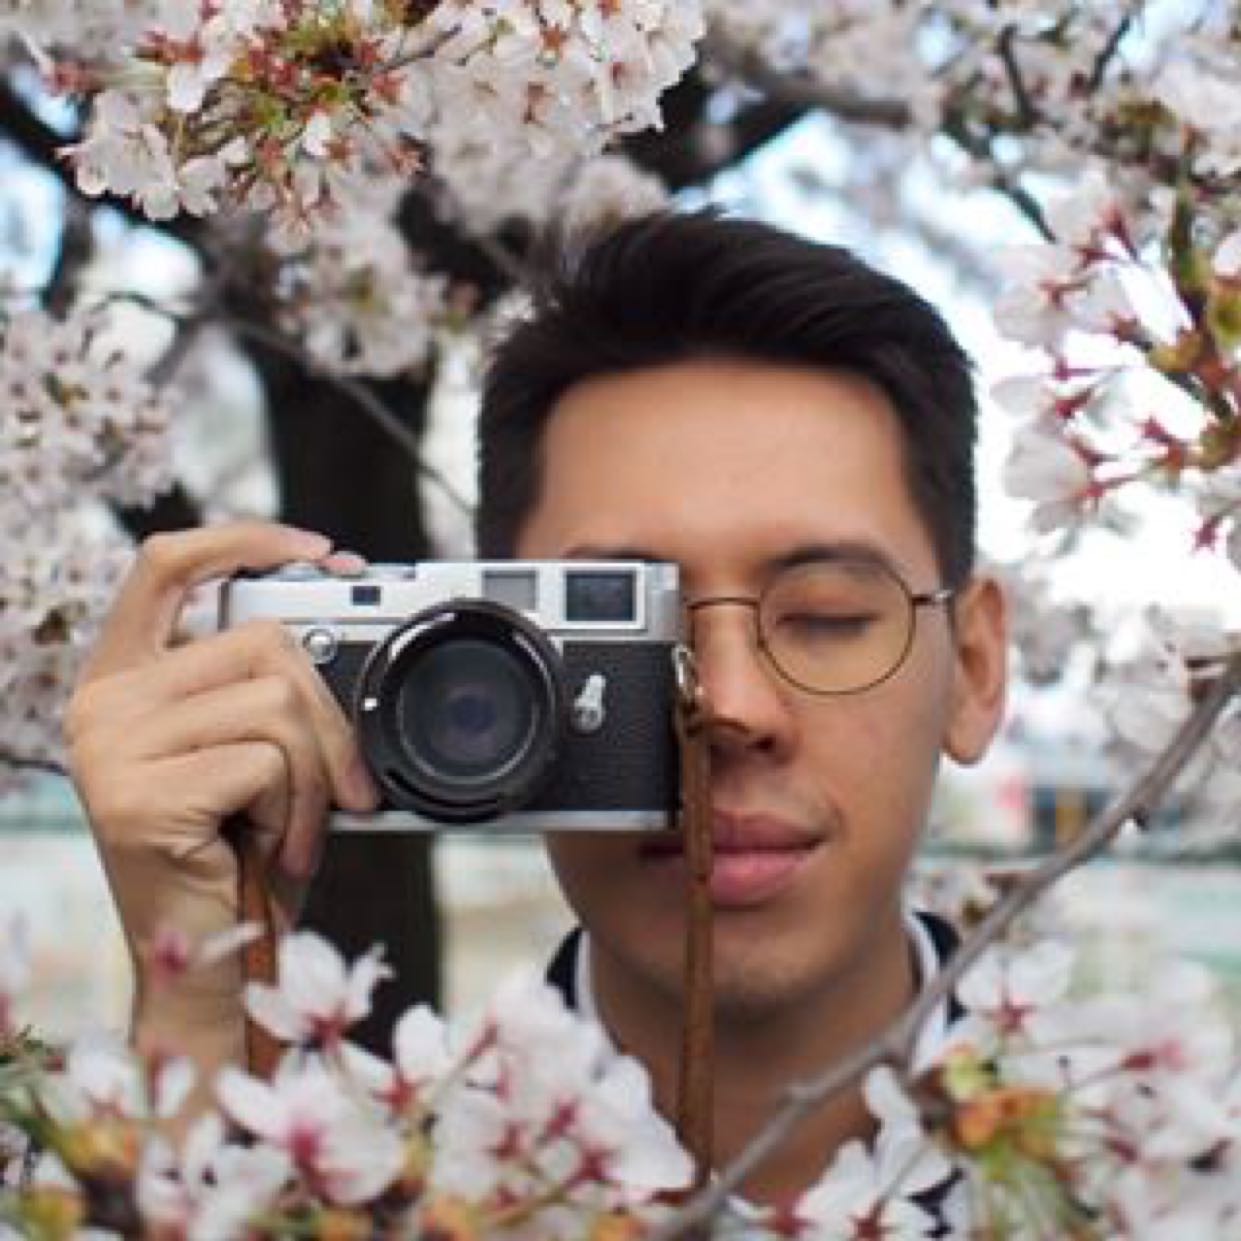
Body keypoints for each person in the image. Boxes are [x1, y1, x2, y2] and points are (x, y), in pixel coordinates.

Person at [65, 210, 1007, 1208]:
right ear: (484, 656)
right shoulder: (380, 1198)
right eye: (627, 625)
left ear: (975, 666)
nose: (725, 706)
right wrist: (199, 1008)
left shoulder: (1161, 1170)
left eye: (824, 617)